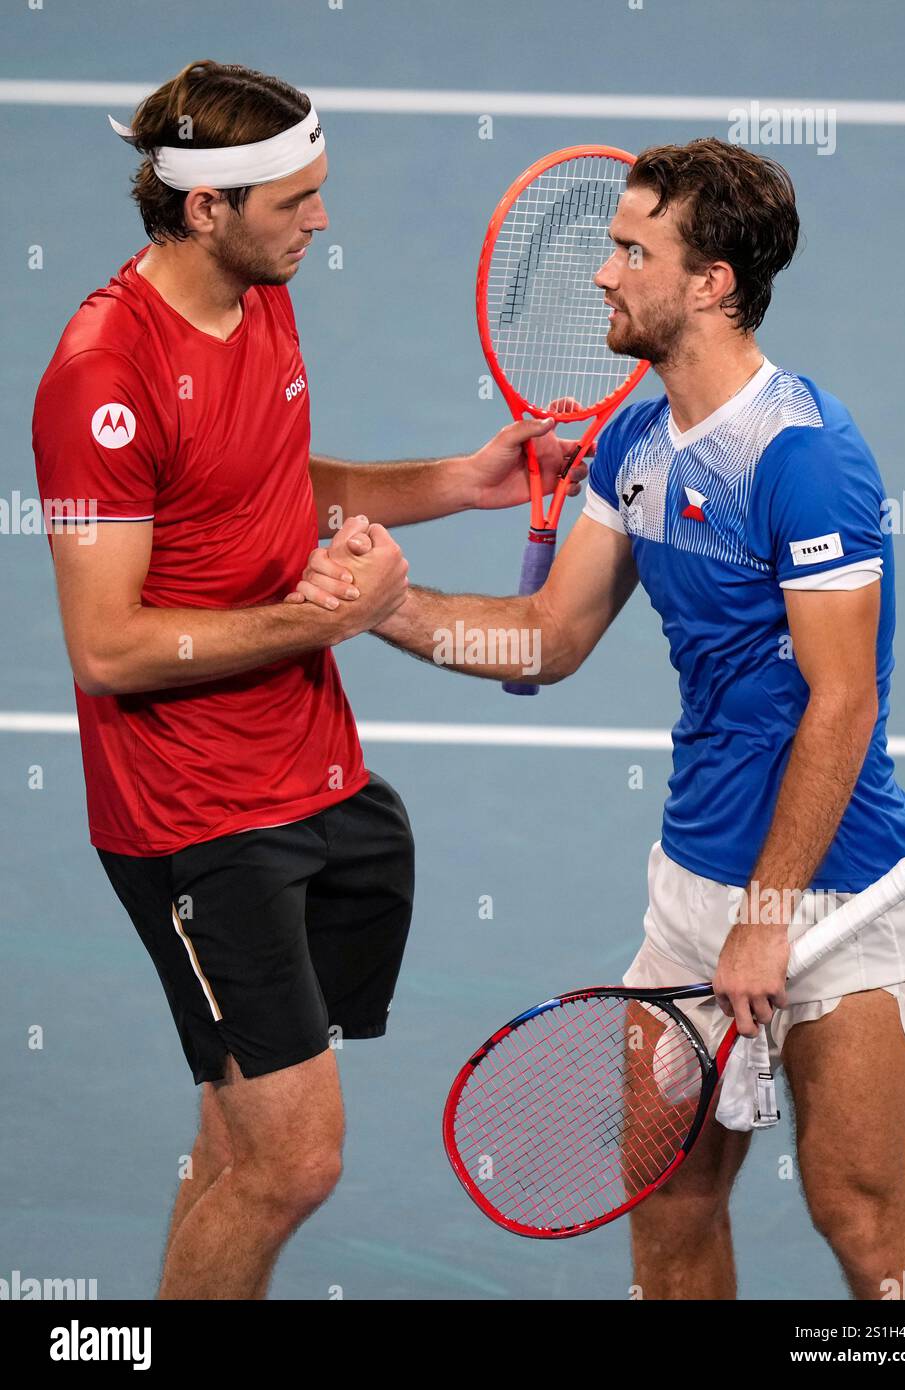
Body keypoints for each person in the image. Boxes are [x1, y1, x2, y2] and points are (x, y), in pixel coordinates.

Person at [293, 138, 905, 1300]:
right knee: (671, 1205)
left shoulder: (806, 458)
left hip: (839, 896)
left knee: (863, 1216)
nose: (603, 274)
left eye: (633, 250)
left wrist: (770, 912)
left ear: (712, 284)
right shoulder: (634, 448)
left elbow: (842, 700)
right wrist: (387, 610)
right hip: (695, 894)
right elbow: (547, 637)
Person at [31, 59, 585, 1300]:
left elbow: (269, 486)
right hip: (194, 821)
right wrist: (320, 621)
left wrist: (460, 482)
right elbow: (107, 647)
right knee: (295, 1163)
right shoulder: (101, 379)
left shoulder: (260, 293)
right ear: (203, 208)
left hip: (310, 775)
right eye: (296, 200)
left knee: (236, 1135)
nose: (321, 220)